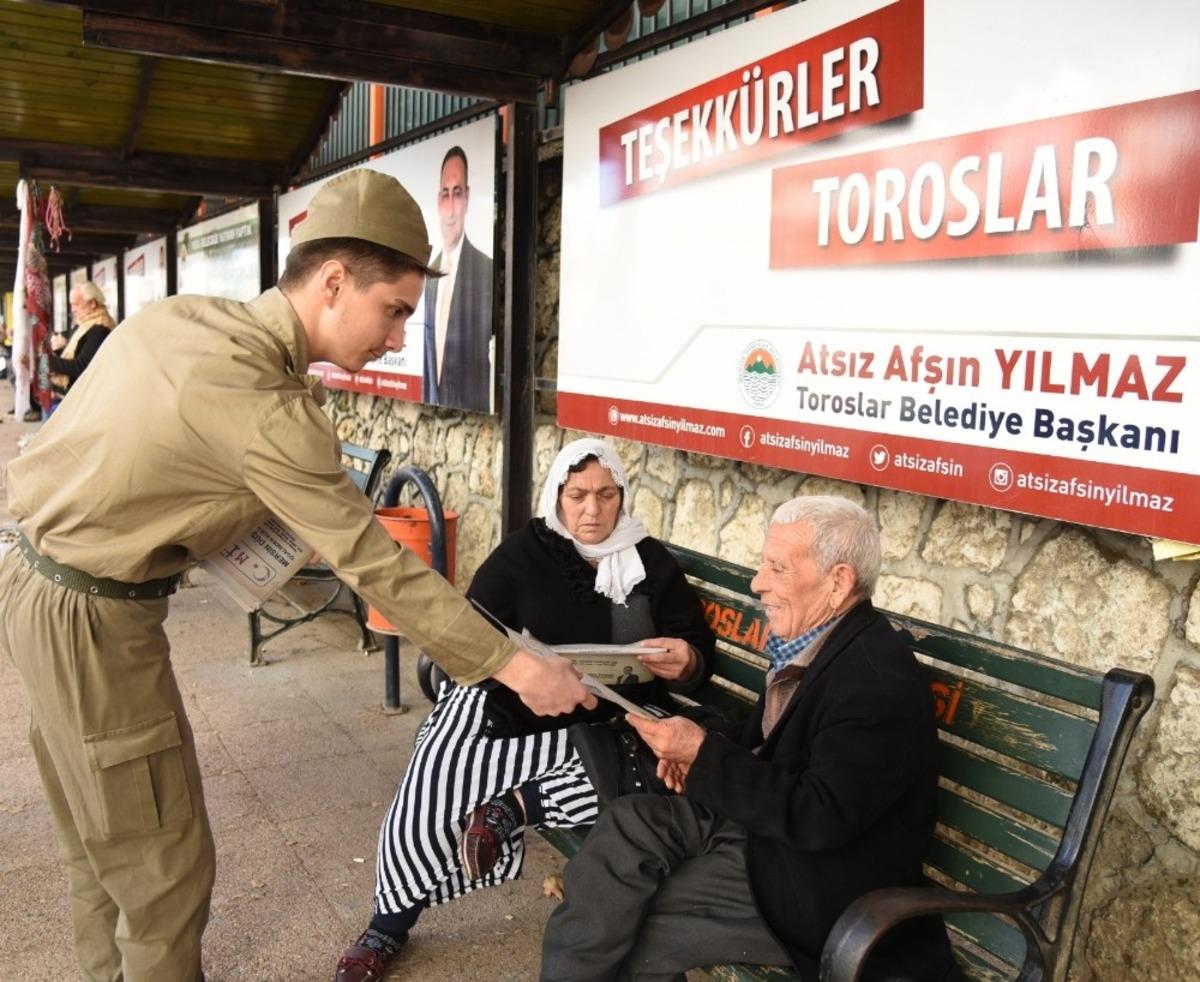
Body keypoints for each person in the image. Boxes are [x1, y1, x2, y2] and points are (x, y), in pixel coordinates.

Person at [0, 167, 593, 982]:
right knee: (164, 873)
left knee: (101, 849)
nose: (394, 338)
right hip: (96, 623)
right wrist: (516, 665)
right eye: (393, 312)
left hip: (40, 586)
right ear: (334, 281)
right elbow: (376, 563)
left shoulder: (183, 320)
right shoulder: (264, 404)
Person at [335, 438, 716, 982]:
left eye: (606, 494)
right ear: (558, 494)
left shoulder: (649, 561)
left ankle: (513, 808)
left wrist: (688, 659)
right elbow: (470, 627)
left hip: (603, 722)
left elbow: (696, 646)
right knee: (439, 769)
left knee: (635, 767)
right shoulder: (526, 551)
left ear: (622, 496)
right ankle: (388, 923)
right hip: (510, 705)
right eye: (579, 494)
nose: (593, 509)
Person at [540, 496, 961, 982]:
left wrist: (703, 757)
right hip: (762, 829)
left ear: (839, 582)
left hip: (814, 882)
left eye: (777, 568)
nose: (758, 582)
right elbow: (768, 743)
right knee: (627, 826)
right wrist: (696, 748)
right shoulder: (816, 641)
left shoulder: (874, 681)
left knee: (639, 926)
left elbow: (817, 817)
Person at [421, 145, 493, 412]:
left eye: (458, 194)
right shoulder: (429, 274)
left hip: (471, 414)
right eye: (445, 194)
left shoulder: (484, 270)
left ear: (468, 198)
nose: (450, 209)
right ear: (437, 199)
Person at [49, 281, 115, 400]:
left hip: (85, 398)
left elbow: (82, 365)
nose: (73, 310)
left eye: (76, 304)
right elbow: (73, 356)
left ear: (92, 303)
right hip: (71, 393)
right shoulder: (82, 324)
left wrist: (50, 361)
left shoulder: (100, 329)